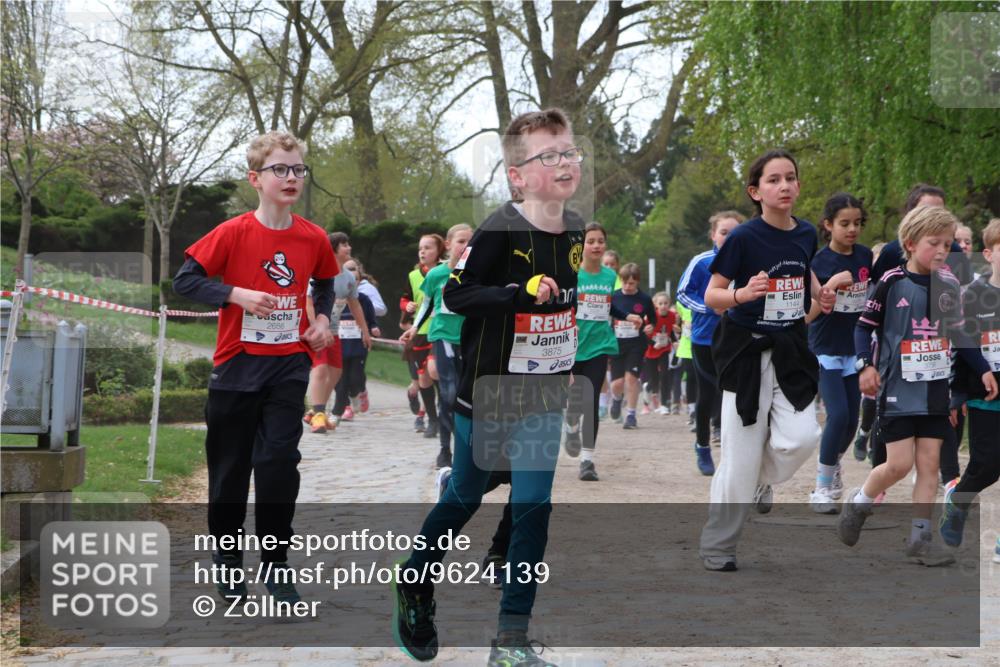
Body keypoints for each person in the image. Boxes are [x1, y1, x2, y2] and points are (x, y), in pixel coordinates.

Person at [392, 108, 583, 667]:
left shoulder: (573, 231)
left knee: (533, 507)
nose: (564, 163)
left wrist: (561, 352)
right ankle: (414, 582)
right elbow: (458, 295)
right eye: (548, 156)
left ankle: (511, 642)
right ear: (517, 174)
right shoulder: (499, 229)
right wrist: (518, 291)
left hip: (543, 392)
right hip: (490, 389)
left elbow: (561, 306)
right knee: (465, 496)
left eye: (569, 152)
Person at [172, 131, 338, 604]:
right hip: (236, 366)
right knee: (229, 470)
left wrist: (323, 320)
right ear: (255, 179)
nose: (291, 178)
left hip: (288, 365)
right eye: (280, 170)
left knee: (279, 464)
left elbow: (325, 286)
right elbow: (186, 280)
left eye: (298, 169)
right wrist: (235, 293)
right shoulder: (232, 232)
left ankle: (277, 563)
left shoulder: (313, 237)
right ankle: (227, 560)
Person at [698, 149, 838, 572]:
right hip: (744, 352)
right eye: (774, 180)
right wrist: (743, 294)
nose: (785, 186)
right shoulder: (743, 238)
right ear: (756, 192)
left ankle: (759, 480)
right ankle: (719, 546)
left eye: (790, 178)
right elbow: (712, 296)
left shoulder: (806, 232)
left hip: (790, 349)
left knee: (803, 438)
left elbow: (803, 270)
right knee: (738, 461)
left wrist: (819, 293)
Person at [838, 206, 997, 565]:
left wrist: (983, 368)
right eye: (934, 244)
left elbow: (958, 332)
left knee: (929, 466)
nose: (942, 251)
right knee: (898, 465)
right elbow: (863, 327)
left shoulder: (950, 284)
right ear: (910, 244)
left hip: (936, 390)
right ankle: (860, 501)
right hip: (897, 391)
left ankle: (920, 539)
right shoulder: (892, 282)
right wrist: (865, 365)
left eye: (948, 244)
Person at [804, 194, 873, 513]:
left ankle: (832, 468)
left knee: (850, 423)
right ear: (828, 225)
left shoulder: (864, 257)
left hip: (854, 349)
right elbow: (807, 314)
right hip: (824, 348)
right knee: (839, 415)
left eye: (857, 223)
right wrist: (830, 285)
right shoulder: (817, 263)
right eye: (844, 223)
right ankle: (821, 487)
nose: (852, 229)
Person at [939, 218, 1000, 547]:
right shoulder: (974, 296)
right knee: (986, 466)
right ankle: (958, 503)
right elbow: (962, 347)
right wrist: (957, 393)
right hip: (983, 396)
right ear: (988, 254)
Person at [564, 222, 634, 481]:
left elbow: (609, 306)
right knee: (574, 401)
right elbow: (562, 305)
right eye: (590, 241)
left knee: (590, 400)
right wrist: (569, 325)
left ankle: (587, 461)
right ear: (581, 246)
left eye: (600, 241)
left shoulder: (609, 277)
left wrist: (628, 316)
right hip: (572, 347)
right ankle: (570, 426)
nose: (595, 245)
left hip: (600, 345)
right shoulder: (571, 275)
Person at [401, 223, 474, 469]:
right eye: (461, 241)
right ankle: (446, 449)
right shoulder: (437, 274)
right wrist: (413, 328)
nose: (466, 247)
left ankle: (466, 446)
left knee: (466, 394)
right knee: (449, 392)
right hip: (443, 335)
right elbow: (427, 305)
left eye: (470, 242)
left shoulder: (478, 273)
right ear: (449, 244)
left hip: (470, 338)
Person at [678, 210, 744, 476]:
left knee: (735, 395)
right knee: (708, 394)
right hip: (705, 338)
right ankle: (702, 446)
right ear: (713, 235)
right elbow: (683, 293)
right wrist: (710, 307)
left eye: (734, 233)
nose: (729, 238)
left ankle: (733, 451)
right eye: (724, 232)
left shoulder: (747, 261)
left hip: (737, 337)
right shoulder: (702, 261)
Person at [302, 232, 372, 433]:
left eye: (348, 244)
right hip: (313, 329)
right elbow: (308, 302)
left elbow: (355, 305)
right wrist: (316, 327)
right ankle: (318, 413)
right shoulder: (319, 272)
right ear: (333, 248)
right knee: (321, 368)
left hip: (333, 331)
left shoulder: (349, 277)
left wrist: (364, 332)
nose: (349, 248)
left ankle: (314, 411)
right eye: (344, 244)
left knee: (336, 370)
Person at [400, 234, 445, 437]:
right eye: (420, 248)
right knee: (424, 378)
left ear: (439, 251)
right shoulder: (413, 275)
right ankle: (433, 420)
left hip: (440, 329)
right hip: (419, 332)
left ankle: (445, 414)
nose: (423, 252)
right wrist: (406, 306)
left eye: (428, 248)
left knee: (436, 372)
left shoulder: (448, 272)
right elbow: (405, 299)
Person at [329, 260, 379, 424]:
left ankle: (357, 392)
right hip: (339, 344)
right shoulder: (334, 299)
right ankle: (337, 412)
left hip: (358, 346)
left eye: (355, 280)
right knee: (340, 381)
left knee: (355, 378)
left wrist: (373, 329)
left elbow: (371, 319)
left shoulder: (363, 300)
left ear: (358, 282)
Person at [609, 263, 656, 430]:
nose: (628, 287)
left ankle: (630, 415)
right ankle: (616, 399)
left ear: (637, 282)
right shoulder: (613, 296)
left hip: (637, 344)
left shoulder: (644, 299)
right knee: (617, 384)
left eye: (632, 283)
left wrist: (650, 327)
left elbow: (652, 318)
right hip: (616, 343)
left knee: (631, 379)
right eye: (625, 282)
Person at [352, 259, 382, 412]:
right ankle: (343, 405)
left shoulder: (366, 291)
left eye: (353, 270)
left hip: (359, 337)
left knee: (356, 371)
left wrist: (371, 324)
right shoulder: (335, 287)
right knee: (340, 371)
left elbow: (381, 309)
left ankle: (360, 391)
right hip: (340, 337)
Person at [641, 291, 676, 416]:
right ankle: (647, 389)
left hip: (664, 349)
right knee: (654, 380)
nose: (663, 306)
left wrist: (675, 341)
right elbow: (643, 334)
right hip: (651, 351)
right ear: (655, 305)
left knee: (665, 375)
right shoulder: (651, 317)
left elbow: (670, 331)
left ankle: (664, 405)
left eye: (666, 303)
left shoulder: (672, 316)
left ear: (669, 304)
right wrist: (652, 343)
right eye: (660, 303)